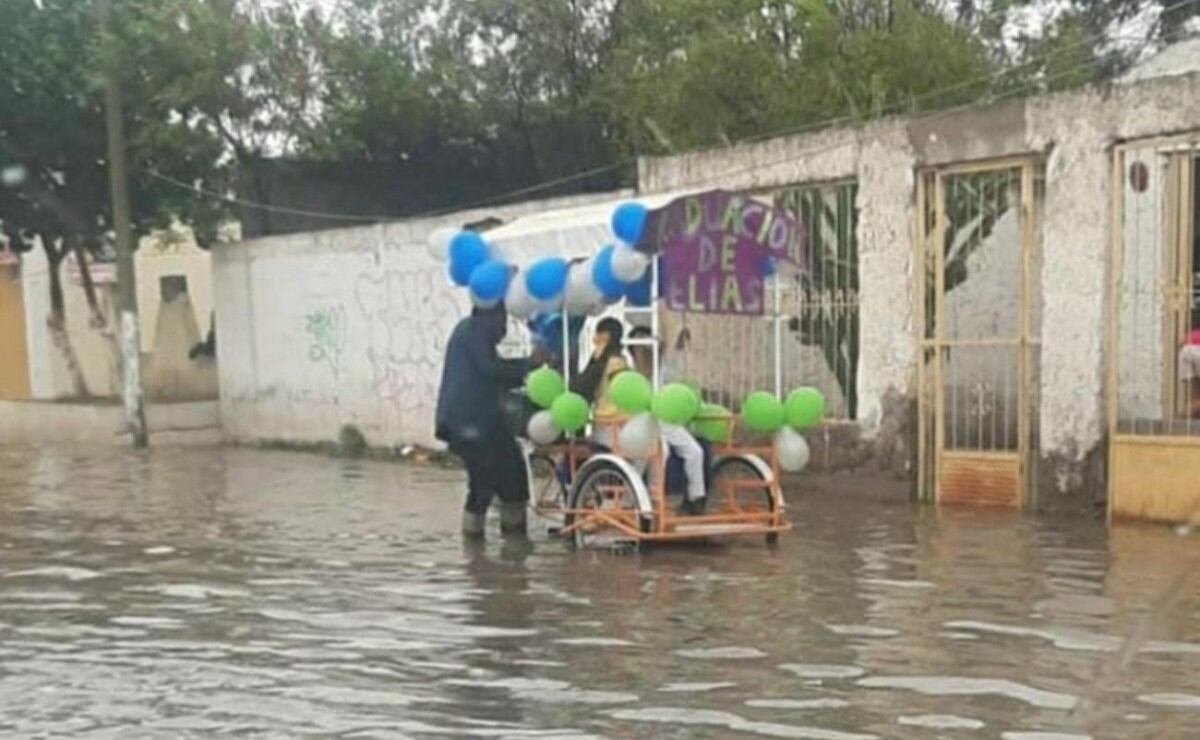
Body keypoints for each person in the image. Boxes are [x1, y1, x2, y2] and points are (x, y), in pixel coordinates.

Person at [436, 304, 543, 538]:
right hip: (469, 424)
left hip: (479, 423)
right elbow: (490, 370)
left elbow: (491, 376)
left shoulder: (469, 331)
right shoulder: (474, 332)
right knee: (484, 483)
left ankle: (506, 545)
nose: (505, 327)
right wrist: (527, 365)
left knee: (512, 476)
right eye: (503, 318)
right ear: (491, 315)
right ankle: (481, 545)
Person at [628, 326, 709, 515]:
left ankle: (696, 498)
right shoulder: (632, 371)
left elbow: (676, 368)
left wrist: (678, 344)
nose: (646, 351)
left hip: (666, 419)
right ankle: (636, 499)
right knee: (656, 452)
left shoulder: (662, 365)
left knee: (695, 451)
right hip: (643, 421)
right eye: (641, 347)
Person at [571, 317, 628, 450]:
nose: (594, 337)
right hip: (616, 426)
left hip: (603, 425)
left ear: (604, 336)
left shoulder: (600, 362)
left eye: (597, 333)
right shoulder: (617, 363)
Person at [1180, 308, 1200, 418]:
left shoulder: (1190, 332)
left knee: (1195, 394)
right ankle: (1185, 415)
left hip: (1186, 351)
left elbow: (1181, 342)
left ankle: (1185, 416)